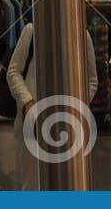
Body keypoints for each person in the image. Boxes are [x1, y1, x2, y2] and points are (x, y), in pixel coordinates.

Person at [6, 20, 99, 189]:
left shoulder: (81, 34)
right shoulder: (32, 31)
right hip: (32, 122)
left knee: (68, 181)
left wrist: (76, 108)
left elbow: (92, 80)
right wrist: (28, 103)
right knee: (33, 183)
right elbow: (13, 72)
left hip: (69, 124)